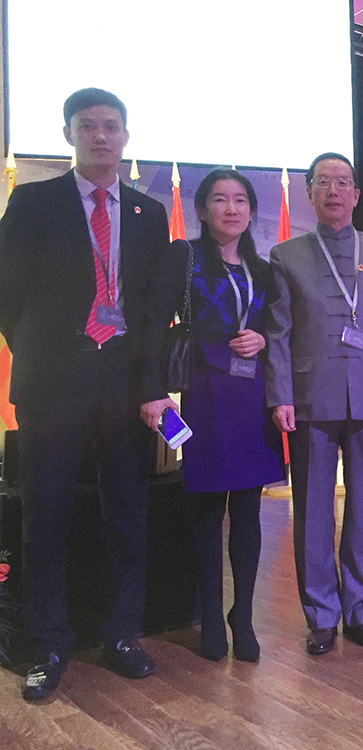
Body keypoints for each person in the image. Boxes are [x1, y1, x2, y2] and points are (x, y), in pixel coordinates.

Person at [0, 88, 169, 700]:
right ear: (68, 133)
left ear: (126, 136)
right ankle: (48, 643)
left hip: (123, 384)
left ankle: (122, 635)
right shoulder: (34, 201)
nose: (101, 136)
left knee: (127, 512)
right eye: (88, 125)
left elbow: (150, 308)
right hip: (52, 384)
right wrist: (46, 350)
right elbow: (6, 292)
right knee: (45, 516)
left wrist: (148, 380)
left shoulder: (150, 213)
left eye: (111, 126)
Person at [140, 169, 284, 662]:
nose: (231, 208)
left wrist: (262, 339)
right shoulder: (183, 256)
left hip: (251, 395)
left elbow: (276, 328)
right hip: (203, 392)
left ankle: (242, 616)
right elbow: (154, 322)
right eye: (220, 199)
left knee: (247, 510)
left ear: (251, 211)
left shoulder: (262, 268)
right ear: (201, 210)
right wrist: (151, 390)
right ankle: (209, 616)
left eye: (241, 200)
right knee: (205, 510)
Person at [263, 152, 363, 655]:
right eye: (324, 182)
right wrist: (280, 396)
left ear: (358, 194)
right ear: (309, 192)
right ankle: (321, 614)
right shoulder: (286, 255)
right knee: (312, 511)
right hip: (310, 398)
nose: (334, 191)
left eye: (344, 182)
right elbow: (277, 333)